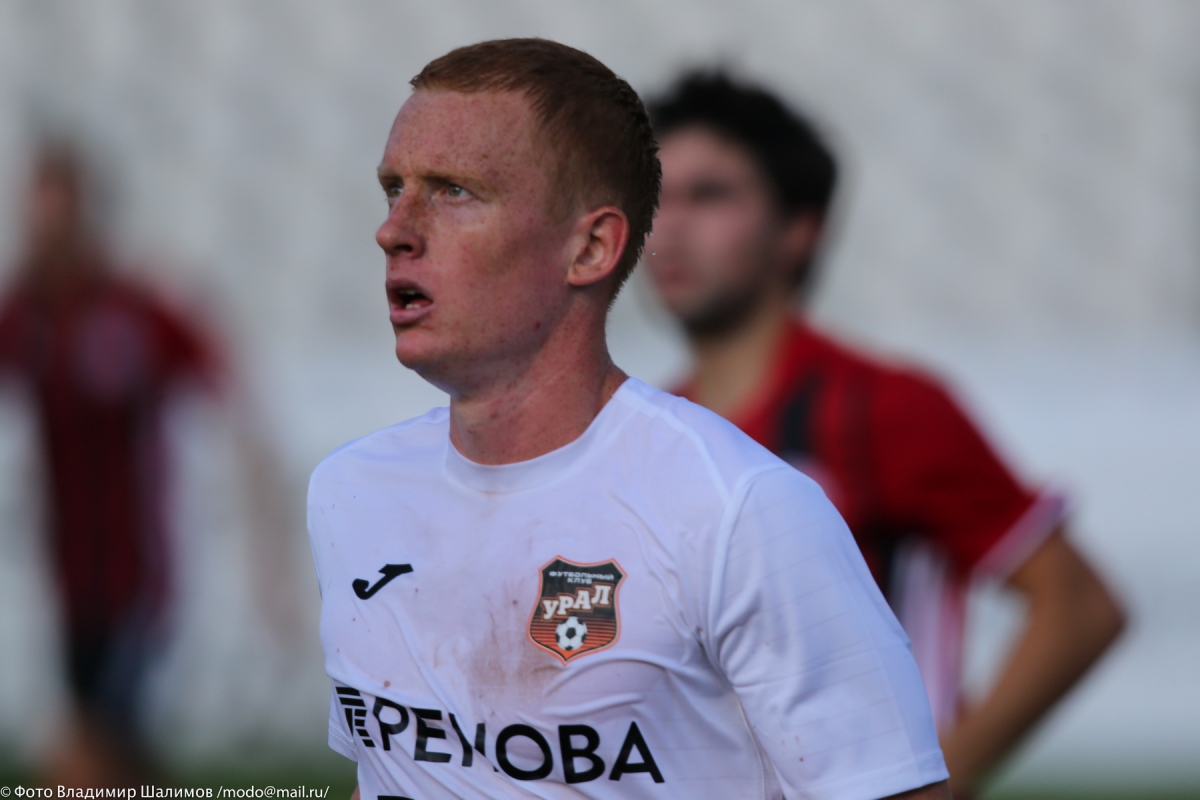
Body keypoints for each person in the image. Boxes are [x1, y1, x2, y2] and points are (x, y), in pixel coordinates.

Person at [308, 39, 950, 800]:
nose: (394, 229)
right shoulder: (351, 490)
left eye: (454, 191)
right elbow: (393, 772)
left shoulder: (738, 507)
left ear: (590, 247)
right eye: (394, 188)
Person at [643, 71, 1126, 797]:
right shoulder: (650, 431)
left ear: (799, 229)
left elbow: (1080, 607)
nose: (671, 226)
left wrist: (943, 778)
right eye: (656, 197)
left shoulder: (887, 408)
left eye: (710, 195)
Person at [0, 142, 219, 783]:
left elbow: (224, 395)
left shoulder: (133, 313)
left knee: (87, 758)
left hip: (136, 573)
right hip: (68, 575)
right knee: (118, 756)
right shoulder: (28, 315)